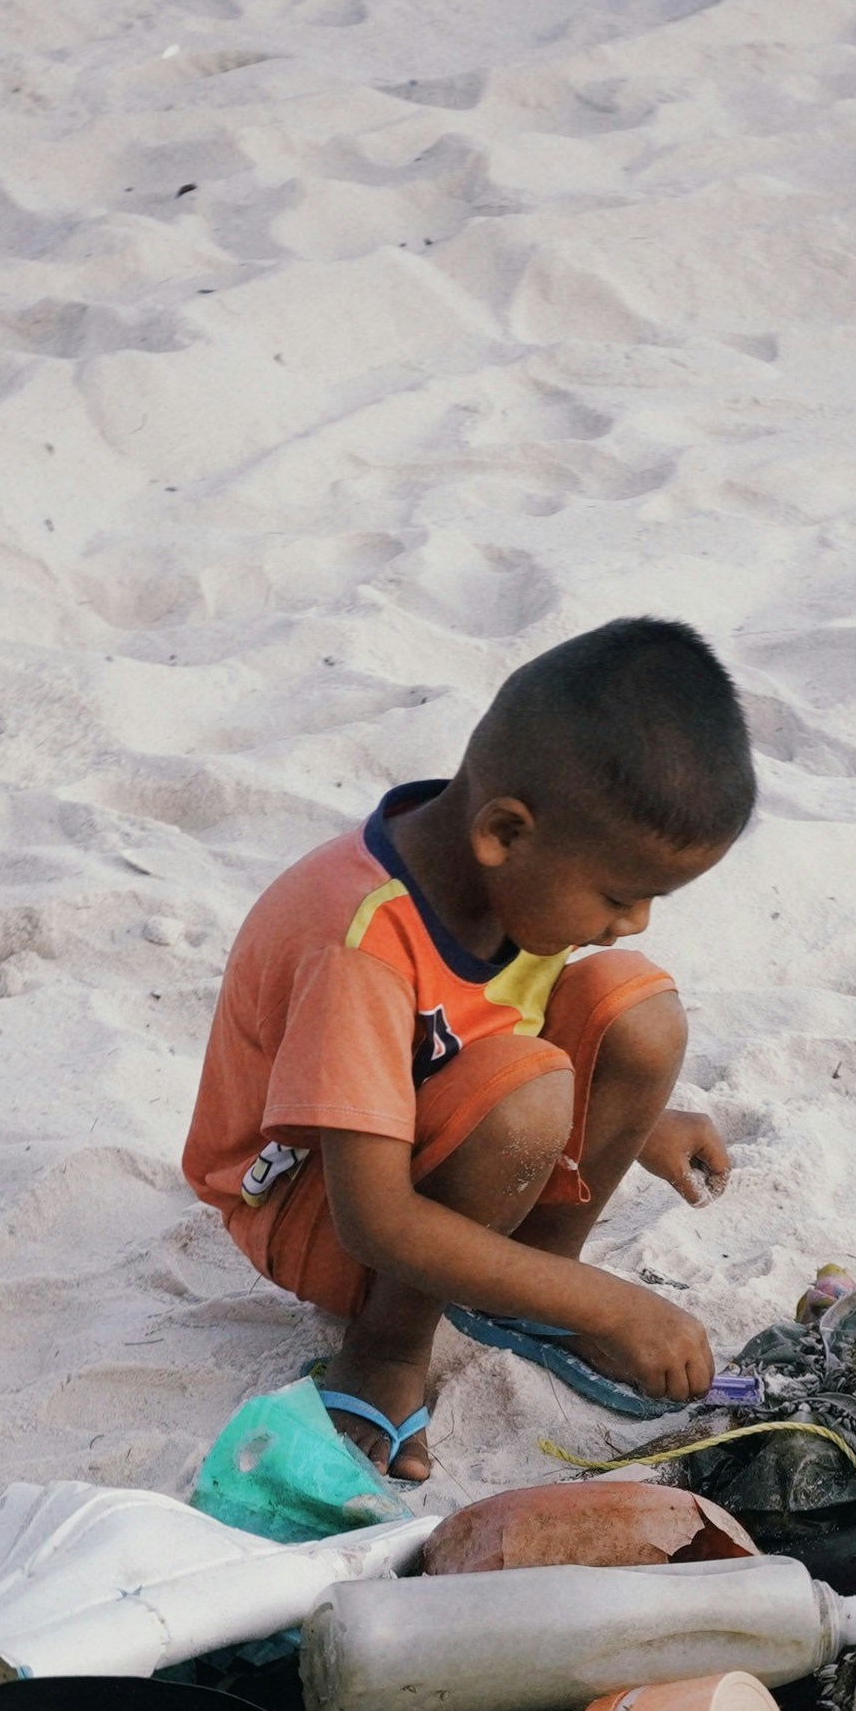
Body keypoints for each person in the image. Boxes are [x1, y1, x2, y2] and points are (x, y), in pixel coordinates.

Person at [181, 616, 751, 1480]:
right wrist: (607, 1304)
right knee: (524, 1093)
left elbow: (492, 1023)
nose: (630, 922)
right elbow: (377, 1218)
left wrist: (637, 1117)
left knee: (639, 1011)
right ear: (506, 834)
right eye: (619, 895)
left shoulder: (514, 876)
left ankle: (528, 1290)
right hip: (316, 1207)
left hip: (442, 1129)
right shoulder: (359, 944)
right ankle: (384, 1352)